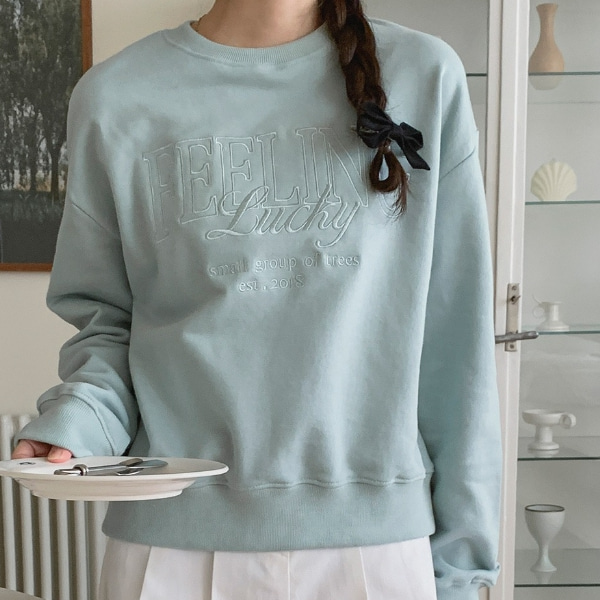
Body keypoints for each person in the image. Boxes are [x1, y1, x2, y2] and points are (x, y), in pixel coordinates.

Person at [13, 0, 503, 598]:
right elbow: (106, 325)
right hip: (172, 551)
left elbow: (456, 343)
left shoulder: (424, 74)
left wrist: (463, 568)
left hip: (377, 554)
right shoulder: (114, 96)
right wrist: (80, 421)